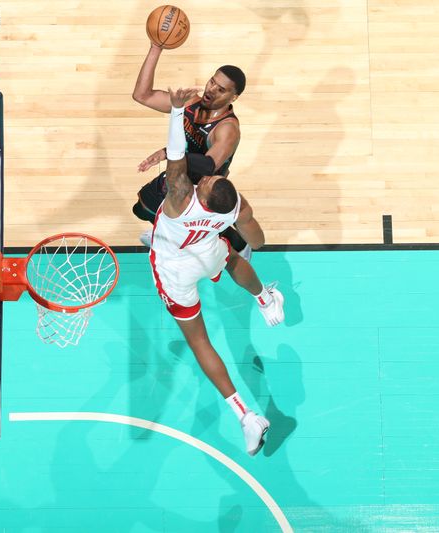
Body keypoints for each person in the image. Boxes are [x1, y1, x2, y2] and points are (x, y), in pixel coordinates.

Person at [149, 87, 284, 456]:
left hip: (174, 265)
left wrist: (177, 111)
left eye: (206, 182)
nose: (206, 177)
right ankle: (266, 296)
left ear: (203, 196)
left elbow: (177, 156)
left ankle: (246, 416)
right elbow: (256, 238)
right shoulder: (232, 203)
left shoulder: (181, 198)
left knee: (199, 341)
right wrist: (251, 236)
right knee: (235, 260)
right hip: (206, 247)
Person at [132, 42, 251, 259]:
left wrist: (168, 153)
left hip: (203, 189)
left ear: (233, 98)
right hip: (180, 175)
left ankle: (239, 244)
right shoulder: (190, 102)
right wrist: (156, 48)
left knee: (196, 230)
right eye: (212, 82)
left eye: (221, 89)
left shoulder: (227, 128)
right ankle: (171, 235)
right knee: (141, 208)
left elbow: (209, 164)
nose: (211, 90)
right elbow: (142, 95)